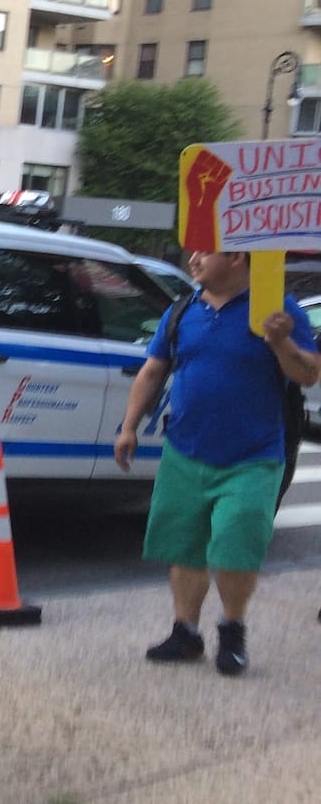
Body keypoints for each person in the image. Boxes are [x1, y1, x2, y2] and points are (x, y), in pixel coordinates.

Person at [114, 249, 319, 676]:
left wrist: (279, 341)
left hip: (254, 456)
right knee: (183, 548)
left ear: (238, 258)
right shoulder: (182, 310)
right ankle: (185, 632)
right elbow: (154, 370)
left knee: (234, 547)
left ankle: (232, 630)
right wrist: (129, 425)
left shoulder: (278, 308)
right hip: (185, 451)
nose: (194, 259)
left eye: (206, 252)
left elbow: (308, 374)